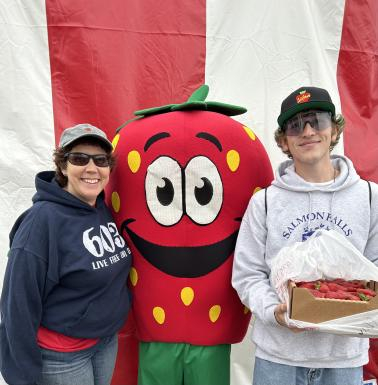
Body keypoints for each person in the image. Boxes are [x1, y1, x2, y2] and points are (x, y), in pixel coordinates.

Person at [232, 86, 378, 385]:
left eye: (317, 120)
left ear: (334, 130)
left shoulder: (370, 197)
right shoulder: (266, 202)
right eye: (295, 125)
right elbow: (247, 274)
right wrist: (275, 312)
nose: (308, 131)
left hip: (344, 360)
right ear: (284, 141)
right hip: (278, 358)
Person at [0, 123, 132, 385]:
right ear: (62, 166)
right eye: (80, 158)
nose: (92, 168)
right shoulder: (41, 222)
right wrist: (23, 375)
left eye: (101, 160)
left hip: (105, 342)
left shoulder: (101, 208)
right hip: (62, 357)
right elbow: (17, 304)